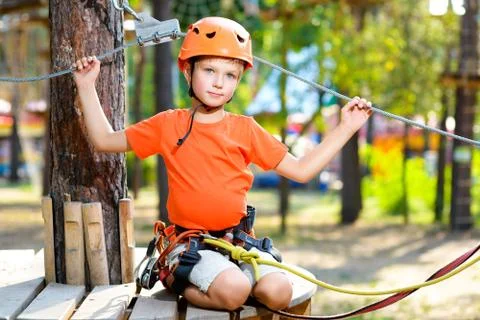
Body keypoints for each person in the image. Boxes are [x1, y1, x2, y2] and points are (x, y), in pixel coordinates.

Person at [72, 16, 372, 312]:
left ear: (238, 81)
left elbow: (302, 171)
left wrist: (346, 127)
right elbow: (105, 140)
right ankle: (176, 277)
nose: (219, 82)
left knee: (279, 292)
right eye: (210, 70)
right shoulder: (168, 125)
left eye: (230, 75)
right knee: (235, 291)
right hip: (191, 244)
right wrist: (86, 87)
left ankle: (231, 285)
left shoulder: (246, 129)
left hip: (237, 242)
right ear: (188, 72)